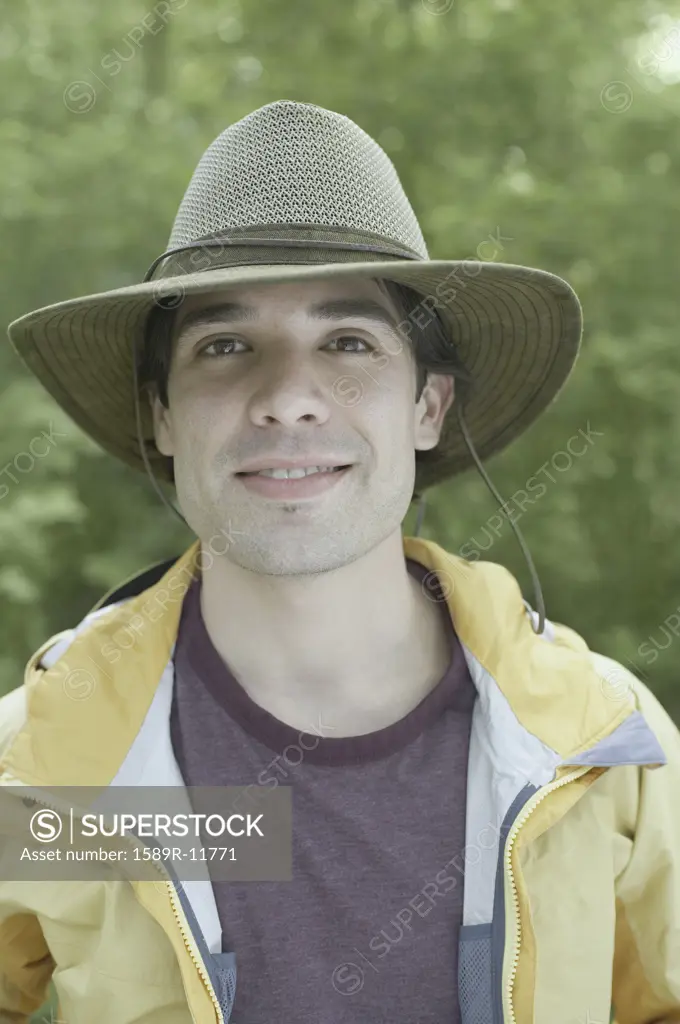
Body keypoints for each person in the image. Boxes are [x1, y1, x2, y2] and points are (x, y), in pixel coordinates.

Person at [1, 100, 678, 1024]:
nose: (287, 398)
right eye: (225, 345)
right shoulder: (43, 764)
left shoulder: (609, 750)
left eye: (349, 342)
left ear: (428, 409)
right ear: (160, 415)